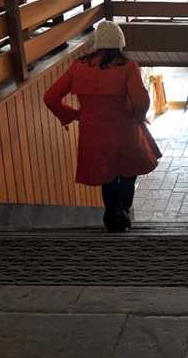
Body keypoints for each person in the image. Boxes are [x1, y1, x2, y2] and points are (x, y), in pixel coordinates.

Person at [44, 20, 160, 232]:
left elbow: (50, 98)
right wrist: (137, 117)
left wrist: (74, 115)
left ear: (97, 42)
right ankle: (122, 212)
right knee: (127, 174)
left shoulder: (78, 67)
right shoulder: (127, 67)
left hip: (93, 134)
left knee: (106, 177)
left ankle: (112, 216)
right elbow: (142, 101)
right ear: (120, 42)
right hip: (124, 132)